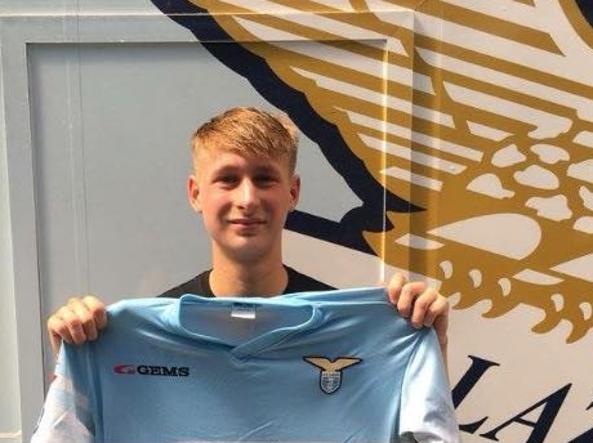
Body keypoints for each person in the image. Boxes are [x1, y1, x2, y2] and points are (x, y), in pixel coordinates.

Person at [46, 107, 450, 365]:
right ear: (195, 194)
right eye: (227, 179)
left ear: (293, 192)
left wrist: (431, 345)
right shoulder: (143, 335)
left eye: (264, 179)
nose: (247, 199)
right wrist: (77, 357)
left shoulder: (353, 329)